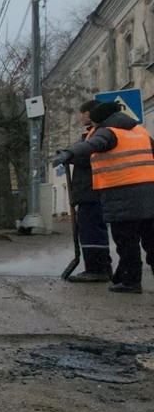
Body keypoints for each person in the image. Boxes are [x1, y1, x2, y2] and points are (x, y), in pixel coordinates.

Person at [53, 100, 154, 294]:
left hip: (123, 196)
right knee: (151, 241)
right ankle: (123, 276)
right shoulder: (140, 131)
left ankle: (131, 282)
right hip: (149, 194)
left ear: (99, 119)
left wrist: (68, 153)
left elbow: (92, 145)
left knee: (127, 242)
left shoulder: (109, 131)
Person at [64, 100, 113, 282]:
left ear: (89, 114)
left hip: (94, 191)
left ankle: (97, 269)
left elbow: (90, 155)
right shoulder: (95, 134)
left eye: (82, 113)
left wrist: (71, 154)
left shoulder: (102, 134)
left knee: (92, 229)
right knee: (90, 229)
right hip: (93, 190)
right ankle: (102, 267)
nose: (80, 117)